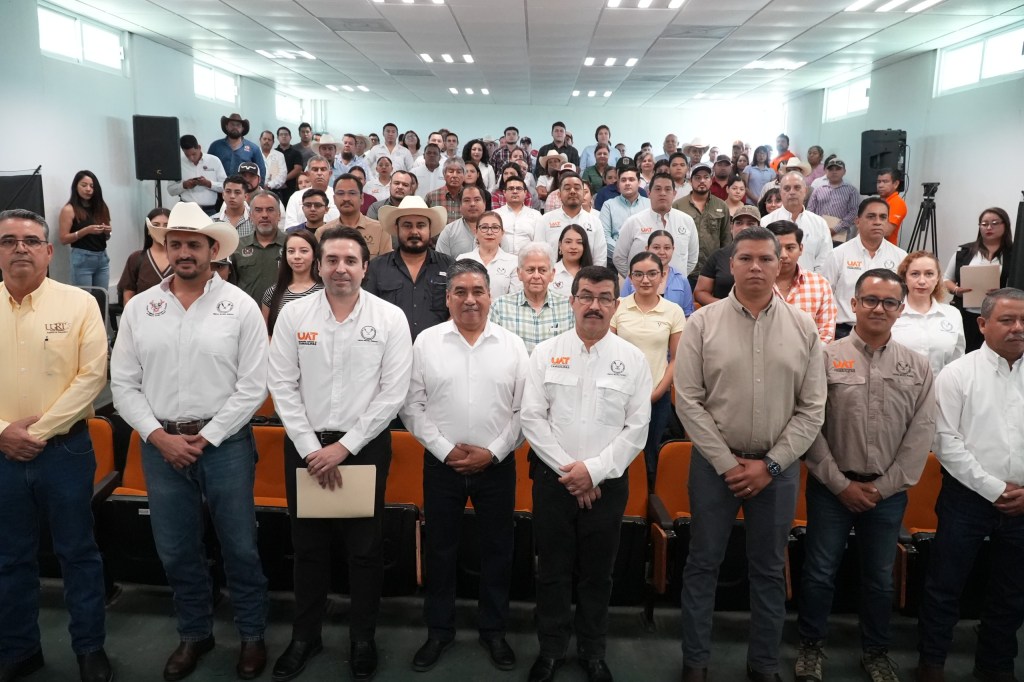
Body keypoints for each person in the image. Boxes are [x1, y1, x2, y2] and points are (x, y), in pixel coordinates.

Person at [110, 202, 269, 682]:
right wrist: (159, 436)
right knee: (176, 550)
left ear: (212, 249)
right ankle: (194, 633)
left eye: (193, 244)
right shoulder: (141, 308)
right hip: (160, 447)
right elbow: (123, 384)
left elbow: (253, 385)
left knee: (240, 547)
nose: (183, 252)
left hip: (226, 445)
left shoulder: (240, 306)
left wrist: (208, 436)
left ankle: (252, 634)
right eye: (175, 243)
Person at [675, 226, 827, 682]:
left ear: (781, 263)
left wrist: (771, 465)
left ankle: (763, 664)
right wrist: (727, 464)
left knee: (769, 569)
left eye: (766, 259)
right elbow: (689, 401)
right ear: (731, 265)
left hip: (776, 471)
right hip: (713, 468)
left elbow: (812, 409)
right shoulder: (702, 323)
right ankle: (695, 662)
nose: (756, 267)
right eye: (746, 259)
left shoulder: (803, 326)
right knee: (703, 564)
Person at [266, 226, 411, 681]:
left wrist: (344, 448)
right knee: (307, 548)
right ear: (318, 265)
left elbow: (393, 393)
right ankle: (304, 637)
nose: (341, 268)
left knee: (365, 550)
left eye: (350, 261)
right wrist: (314, 449)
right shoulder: (294, 315)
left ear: (366, 268)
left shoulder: (389, 318)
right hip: (305, 447)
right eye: (332, 260)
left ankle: (362, 638)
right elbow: (281, 384)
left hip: (364, 447)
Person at [796, 269, 935, 682]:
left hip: (886, 494)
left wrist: (882, 487)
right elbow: (809, 426)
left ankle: (875, 652)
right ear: (854, 304)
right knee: (819, 572)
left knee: (879, 577)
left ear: (900, 309)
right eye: (870, 300)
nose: (879, 308)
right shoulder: (823, 358)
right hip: (831, 488)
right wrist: (840, 484)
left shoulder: (917, 366)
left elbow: (921, 433)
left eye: (889, 302)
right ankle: (810, 647)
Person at [521, 265, 651, 682]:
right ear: (572, 301)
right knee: (552, 571)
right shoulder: (545, 353)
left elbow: (637, 429)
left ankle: (593, 652)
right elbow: (532, 418)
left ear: (616, 304)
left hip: (607, 485)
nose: (595, 306)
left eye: (604, 298)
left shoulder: (633, 360)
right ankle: (551, 650)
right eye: (587, 297)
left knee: (598, 574)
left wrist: (593, 473)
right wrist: (571, 472)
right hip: (553, 481)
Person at [0, 209, 112, 682]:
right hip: (2, 455)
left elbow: (92, 378)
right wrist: (3, 432)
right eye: (8, 240)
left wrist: (36, 433)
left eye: (30, 240)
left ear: (49, 251)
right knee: (9, 558)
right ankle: (20, 649)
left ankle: (90, 649)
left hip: (66, 451)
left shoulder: (79, 303)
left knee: (78, 553)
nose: (19, 248)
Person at [401, 259, 528, 674]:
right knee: (440, 549)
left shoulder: (513, 345)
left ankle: (494, 630)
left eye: (478, 291)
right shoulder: (426, 343)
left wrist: (493, 452)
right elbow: (412, 405)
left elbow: (523, 411)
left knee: (497, 550)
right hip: (443, 466)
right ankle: (439, 630)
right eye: (461, 292)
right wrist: (444, 450)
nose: (470, 300)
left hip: (497, 466)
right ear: (448, 298)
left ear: (491, 296)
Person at [916, 288, 1024, 682]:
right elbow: (945, 441)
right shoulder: (957, 374)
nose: (1017, 328)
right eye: (1007, 320)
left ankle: (996, 665)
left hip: (1023, 502)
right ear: (982, 324)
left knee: (1012, 591)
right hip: (967, 497)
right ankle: (932, 662)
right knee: (945, 584)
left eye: (1023, 321)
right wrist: (993, 488)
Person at [611, 251, 685, 488]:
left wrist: (656, 393)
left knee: (650, 456)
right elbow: (607, 352)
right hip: (618, 396)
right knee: (619, 454)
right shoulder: (618, 306)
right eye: (638, 274)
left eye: (652, 274)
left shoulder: (673, 311)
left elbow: (676, 359)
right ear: (630, 277)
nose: (645, 280)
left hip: (656, 396)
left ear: (662, 276)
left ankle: (648, 503)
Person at [366, 196, 453, 341]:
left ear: (429, 229)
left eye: (421, 225)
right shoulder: (377, 267)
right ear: (397, 228)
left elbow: (458, 308)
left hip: (438, 349)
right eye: (407, 225)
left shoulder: (449, 266)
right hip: (389, 348)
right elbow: (368, 311)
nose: (414, 232)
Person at [822, 197, 908, 340]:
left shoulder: (901, 256)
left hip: (887, 334)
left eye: (883, 217)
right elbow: (825, 296)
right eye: (871, 216)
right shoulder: (838, 254)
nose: (877, 222)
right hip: (844, 333)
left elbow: (905, 298)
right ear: (857, 221)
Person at [943, 206, 1013, 354]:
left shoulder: (1014, 254)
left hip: (1000, 315)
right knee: (965, 352)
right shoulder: (964, 251)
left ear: (1005, 225)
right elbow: (946, 279)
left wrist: (1004, 292)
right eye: (984, 224)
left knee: (996, 353)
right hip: (966, 314)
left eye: (995, 223)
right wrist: (956, 290)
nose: (989, 227)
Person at [489, 242, 575, 355]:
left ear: (552, 274)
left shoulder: (568, 308)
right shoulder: (500, 307)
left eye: (542, 270)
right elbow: (493, 350)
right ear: (519, 273)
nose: (536, 276)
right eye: (530, 270)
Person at [892, 251, 965, 377]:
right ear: (904, 278)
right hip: (898, 387)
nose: (922, 281)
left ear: (937, 279)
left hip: (940, 387)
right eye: (915, 274)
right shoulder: (891, 313)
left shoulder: (952, 314)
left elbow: (958, 360)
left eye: (929, 274)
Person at [613, 173, 699, 280]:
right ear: (649, 193)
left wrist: (677, 280)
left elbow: (692, 259)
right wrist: (636, 280)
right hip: (641, 286)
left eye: (667, 189)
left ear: (674, 193)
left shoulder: (687, 221)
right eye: (658, 189)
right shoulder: (633, 222)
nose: (662, 193)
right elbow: (619, 258)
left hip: (676, 286)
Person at [765, 220, 837, 344]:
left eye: (790, 248)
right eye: (777, 248)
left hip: (810, 355)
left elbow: (827, 334)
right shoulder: (755, 283)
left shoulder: (820, 285)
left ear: (801, 249)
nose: (783, 255)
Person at [760, 171, 833, 274]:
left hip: (810, 282)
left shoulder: (819, 224)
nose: (792, 192)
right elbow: (763, 258)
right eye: (787, 188)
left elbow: (825, 260)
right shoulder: (766, 222)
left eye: (797, 187)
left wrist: (812, 281)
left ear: (805, 191)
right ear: (780, 192)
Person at [673, 162, 731, 290]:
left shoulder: (721, 206)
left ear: (711, 180)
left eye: (706, 177)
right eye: (697, 177)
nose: (702, 181)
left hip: (712, 271)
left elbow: (726, 240)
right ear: (690, 181)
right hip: (685, 271)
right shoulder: (677, 206)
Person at [692, 206, 761, 307]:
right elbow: (700, 292)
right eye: (739, 223)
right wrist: (726, 306)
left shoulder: (768, 257)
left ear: (760, 228)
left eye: (750, 224)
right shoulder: (718, 256)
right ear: (731, 227)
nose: (744, 228)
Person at [537, 173, 608, 266]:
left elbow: (600, 259)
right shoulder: (545, 220)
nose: (572, 191)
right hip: (553, 273)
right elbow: (538, 254)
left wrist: (594, 275)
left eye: (577, 188)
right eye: (567, 188)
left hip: (587, 274)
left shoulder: (595, 222)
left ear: (583, 193)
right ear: (559, 195)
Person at [621, 230, 695, 316]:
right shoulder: (633, 277)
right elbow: (622, 309)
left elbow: (687, 314)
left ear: (673, 249)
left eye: (667, 248)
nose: (662, 252)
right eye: (656, 248)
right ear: (647, 249)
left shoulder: (681, 279)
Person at [262, 230, 323, 335]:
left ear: (314, 255)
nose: (297, 256)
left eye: (304, 251)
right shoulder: (272, 293)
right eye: (291, 251)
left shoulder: (325, 291)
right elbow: (265, 334)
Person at [59, 170, 112, 290]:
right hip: (82, 259)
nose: (88, 189)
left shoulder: (101, 207)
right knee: (84, 298)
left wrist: (107, 231)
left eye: (92, 186)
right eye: (84, 185)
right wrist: (85, 231)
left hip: (102, 258)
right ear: (76, 187)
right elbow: (63, 239)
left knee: (102, 296)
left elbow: (107, 236)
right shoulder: (69, 209)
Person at [231, 190, 286, 302]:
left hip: (284, 309)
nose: (264, 215)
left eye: (270, 210)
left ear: (279, 215)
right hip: (246, 310)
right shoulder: (237, 246)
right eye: (258, 210)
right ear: (250, 216)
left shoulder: (291, 244)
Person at [320, 174, 393, 258]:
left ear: (362, 198)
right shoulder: (322, 232)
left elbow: (386, 264)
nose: (346, 198)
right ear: (334, 199)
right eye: (340, 193)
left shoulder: (380, 230)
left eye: (352, 193)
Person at [457, 211, 521, 299]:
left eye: (495, 227)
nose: (490, 232)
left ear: (502, 233)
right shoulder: (462, 260)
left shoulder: (514, 262)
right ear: (476, 232)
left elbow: (515, 298)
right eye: (484, 227)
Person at [599, 159, 650, 264]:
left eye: (631, 179)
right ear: (618, 183)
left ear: (639, 182)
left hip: (646, 260)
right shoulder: (608, 205)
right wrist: (623, 255)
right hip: (615, 262)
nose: (627, 183)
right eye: (623, 180)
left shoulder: (650, 205)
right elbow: (604, 237)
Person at [117, 208, 173, 303]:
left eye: (166, 225)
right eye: (155, 225)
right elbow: (128, 294)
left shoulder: (181, 258)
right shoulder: (136, 258)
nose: (161, 229)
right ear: (148, 230)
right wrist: (130, 312)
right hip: (142, 312)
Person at [169, 135, 227, 214]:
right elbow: (171, 190)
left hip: (209, 211)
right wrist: (184, 185)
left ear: (199, 147)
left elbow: (225, 187)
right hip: (186, 210)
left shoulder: (214, 161)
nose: (191, 158)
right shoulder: (178, 163)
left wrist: (208, 183)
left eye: (194, 154)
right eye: (187, 155)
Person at [807, 158, 860, 242]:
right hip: (818, 235)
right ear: (826, 171)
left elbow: (853, 213)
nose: (834, 172)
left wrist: (835, 229)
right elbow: (810, 211)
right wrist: (817, 228)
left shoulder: (851, 191)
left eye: (838, 169)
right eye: (831, 169)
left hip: (840, 237)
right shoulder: (818, 190)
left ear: (844, 171)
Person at [208, 113, 266, 180]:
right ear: (226, 127)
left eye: (238, 125)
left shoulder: (253, 148)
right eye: (232, 124)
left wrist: (259, 186)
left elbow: (261, 171)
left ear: (242, 128)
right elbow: (208, 167)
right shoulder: (215, 146)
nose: (235, 127)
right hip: (219, 185)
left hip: (244, 186)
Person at [496, 175, 542, 256]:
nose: (515, 191)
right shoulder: (495, 215)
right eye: (511, 188)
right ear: (504, 193)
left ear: (525, 193)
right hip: (500, 259)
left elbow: (539, 243)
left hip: (528, 260)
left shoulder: (536, 215)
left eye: (519, 188)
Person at [551, 224, 592, 296]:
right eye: (568, 242)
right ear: (560, 245)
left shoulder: (592, 274)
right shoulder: (550, 272)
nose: (573, 247)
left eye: (579, 242)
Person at [426, 158, 466, 223]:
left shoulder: (471, 197)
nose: (454, 175)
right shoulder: (432, 197)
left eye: (459, 172)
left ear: (464, 175)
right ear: (444, 174)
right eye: (451, 171)